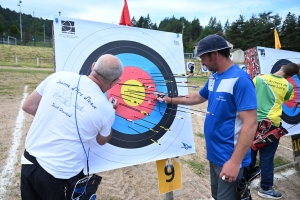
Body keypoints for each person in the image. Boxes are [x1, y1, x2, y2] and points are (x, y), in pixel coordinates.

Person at [161, 34, 258, 200]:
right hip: (215, 155)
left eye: (203, 57)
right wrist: (170, 99)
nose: (202, 62)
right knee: (217, 196)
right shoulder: (214, 77)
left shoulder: (240, 80)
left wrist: (234, 162)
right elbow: (197, 97)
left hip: (229, 157)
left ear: (215, 54)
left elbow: (251, 123)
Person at [21, 54, 123, 200]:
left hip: (29, 163)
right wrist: (111, 111)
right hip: (61, 175)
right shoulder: (106, 110)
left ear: (93, 66)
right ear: (114, 82)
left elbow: (28, 106)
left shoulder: (58, 77)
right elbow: (102, 139)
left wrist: (58, 117)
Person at [251, 62, 300, 199]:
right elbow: (286, 99)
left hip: (253, 122)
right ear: (291, 76)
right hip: (272, 125)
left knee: (249, 153)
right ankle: (265, 188)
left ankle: (244, 182)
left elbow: (250, 92)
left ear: (281, 67)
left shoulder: (259, 79)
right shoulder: (289, 86)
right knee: (267, 158)